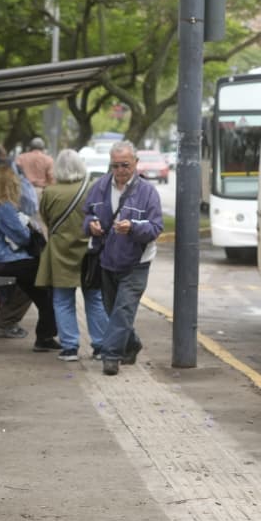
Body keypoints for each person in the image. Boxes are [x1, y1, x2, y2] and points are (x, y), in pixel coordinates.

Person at [83, 141, 163, 376]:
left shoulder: (148, 192)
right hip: (107, 260)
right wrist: (91, 225)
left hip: (136, 263)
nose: (120, 170)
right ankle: (131, 343)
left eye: (125, 165)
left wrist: (133, 227)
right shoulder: (99, 187)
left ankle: (111, 355)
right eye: (115, 165)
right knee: (112, 310)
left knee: (123, 310)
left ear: (136, 163)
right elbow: (87, 215)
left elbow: (155, 227)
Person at [36, 149, 108, 362]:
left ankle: (69, 347)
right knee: (95, 299)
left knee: (62, 300)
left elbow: (46, 220)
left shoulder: (50, 192)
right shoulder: (92, 188)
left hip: (60, 251)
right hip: (89, 252)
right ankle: (100, 345)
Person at [0, 167, 60, 352]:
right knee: (46, 278)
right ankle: (44, 335)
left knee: (40, 288)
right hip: (3, 260)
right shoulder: (4, 208)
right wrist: (31, 227)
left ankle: (44, 333)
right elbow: (23, 237)